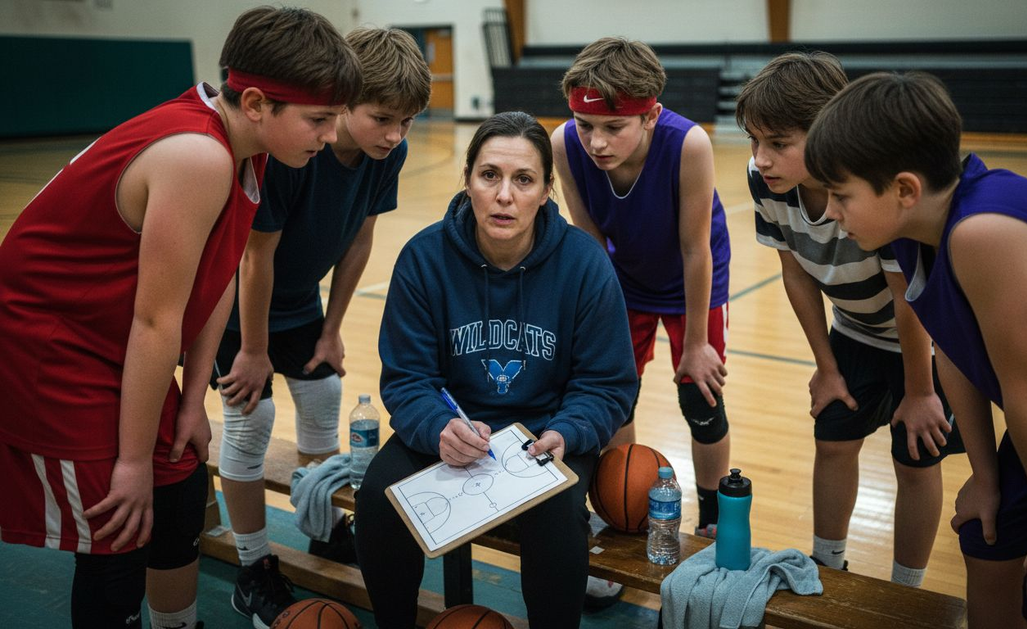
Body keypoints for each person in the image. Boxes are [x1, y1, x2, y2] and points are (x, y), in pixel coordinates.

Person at [0, 7, 359, 629]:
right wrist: (133, 460)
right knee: (118, 525)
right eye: (319, 119)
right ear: (254, 102)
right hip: (50, 347)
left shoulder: (249, 150)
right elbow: (153, 321)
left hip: (112, 341)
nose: (330, 136)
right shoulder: (197, 155)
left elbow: (212, 280)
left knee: (181, 490)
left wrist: (194, 400)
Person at [804, 71, 1027, 627]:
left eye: (842, 195)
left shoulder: (984, 232)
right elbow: (958, 355)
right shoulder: (912, 231)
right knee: (985, 540)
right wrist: (987, 479)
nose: (832, 212)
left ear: (905, 189)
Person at [353, 111, 637, 629]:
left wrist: (567, 431)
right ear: (467, 181)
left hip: (545, 436)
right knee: (377, 499)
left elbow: (608, 383)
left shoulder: (584, 264)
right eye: (490, 176)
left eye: (523, 179)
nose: (504, 195)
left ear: (547, 190)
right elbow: (407, 377)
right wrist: (438, 427)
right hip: (453, 427)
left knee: (557, 514)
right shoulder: (423, 258)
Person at [208, 26, 431, 627]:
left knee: (324, 393)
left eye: (407, 122)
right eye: (382, 117)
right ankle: (253, 568)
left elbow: (360, 239)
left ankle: (320, 526)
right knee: (251, 422)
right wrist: (252, 350)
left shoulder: (389, 154)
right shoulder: (293, 151)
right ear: (342, 101)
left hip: (302, 301)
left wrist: (331, 329)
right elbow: (255, 257)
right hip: (235, 307)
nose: (395, 134)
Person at [735, 52, 963, 587]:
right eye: (753, 141)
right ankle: (827, 564)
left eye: (778, 143)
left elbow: (907, 297)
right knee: (833, 440)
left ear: (826, 132)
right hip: (855, 331)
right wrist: (827, 366)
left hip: (926, 341)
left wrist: (920, 391)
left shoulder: (872, 189)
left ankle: (907, 588)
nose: (761, 158)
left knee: (916, 459)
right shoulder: (764, 181)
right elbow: (794, 272)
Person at [550, 39, 730, 603]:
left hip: (690, 277)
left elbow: (695, 249)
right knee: (611, 396)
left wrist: (697, 343)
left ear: (650, 116)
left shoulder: (688, 144)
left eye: (614, 126)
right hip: (621, 278)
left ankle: (712, 517)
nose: (596, 141)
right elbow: (587, 236)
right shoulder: (565, 143)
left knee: (700, 397)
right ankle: (621, 511)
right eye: (585, 123)